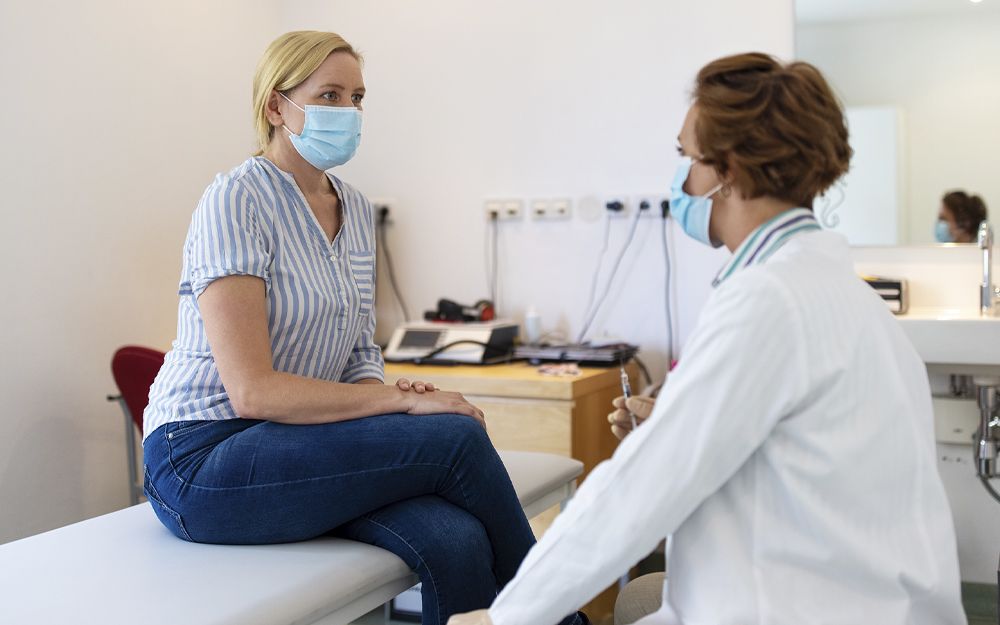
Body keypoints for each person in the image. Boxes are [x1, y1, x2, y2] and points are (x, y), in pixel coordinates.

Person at [449, 53, 964, 625]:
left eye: (686, 158)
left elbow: (637, 490)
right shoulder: (842, 294)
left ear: (729, 169)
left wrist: (506, 617)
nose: (682, 179)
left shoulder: (768, 300)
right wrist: (677, 416)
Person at [142, 31, 578, 625]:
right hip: (204, 457)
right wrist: (398, 404)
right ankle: (561, 616)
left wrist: (392, 401)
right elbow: (253, 391)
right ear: (276, 106)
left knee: (455, 541)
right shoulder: (236, 200)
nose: (348, 112)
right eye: (330, 95)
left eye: (357, 97)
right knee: (452, 437)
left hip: (299, 445)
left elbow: (357, 355)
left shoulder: (353, 207)